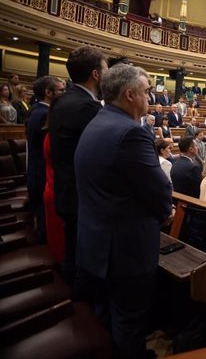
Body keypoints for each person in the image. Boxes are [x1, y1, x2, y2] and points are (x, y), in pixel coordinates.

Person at [74, 64, 173, 359]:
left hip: (96, 245)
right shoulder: (131, 133)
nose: (150, 98)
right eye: (146, 92)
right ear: (129, 95)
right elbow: (159, 190)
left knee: (106, 319)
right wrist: (164, 212)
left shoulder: (97, 121)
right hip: (124, 252)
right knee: (129, 326)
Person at [49, 46, 107, 285]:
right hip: (82, 197)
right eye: (106, 69)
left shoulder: (64, 100)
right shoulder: (87, 107)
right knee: (85, 267)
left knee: (73, 254)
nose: (108, 74)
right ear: (95, 75)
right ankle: (81, 313)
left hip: (66, 190)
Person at [26, 76, 65, 244]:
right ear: (48, 92)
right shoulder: (44, 115)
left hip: (35, 171)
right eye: (61, 90)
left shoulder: (35, 110)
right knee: (44, 227)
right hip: (42, 173)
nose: (65, 93)